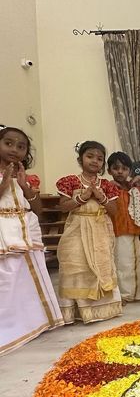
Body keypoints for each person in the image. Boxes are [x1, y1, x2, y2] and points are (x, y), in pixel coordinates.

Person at [0, 126, 63, 355]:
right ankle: (10, 326)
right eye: (8, 143)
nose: (14, 150)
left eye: (21, 146)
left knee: (29, 275)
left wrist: (26, 187)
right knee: (8, 277)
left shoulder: (26, 176)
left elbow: (38, 210)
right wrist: (5, 182)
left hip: (26, 225)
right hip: (5, 230)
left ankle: (34, 320)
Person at [56, 141, 122, 324]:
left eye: (100, 158)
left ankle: (101, 311)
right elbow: (63, 207)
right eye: (90, 156)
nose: (95, 161)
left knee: (102, 266)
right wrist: (83, 197)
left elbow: (115, 211)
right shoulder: (70, 181)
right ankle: (75, 311)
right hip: (76, 227)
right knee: (75, 265)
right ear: (80, 159)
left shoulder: (107, 185)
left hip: (100, 226)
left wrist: (101, 197)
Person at [107, 151, 140, 303]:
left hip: (133, 230)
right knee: (122, 264)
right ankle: (124, 295)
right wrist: (108, 186)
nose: (120, 172)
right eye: (116, 168)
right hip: (118, 230)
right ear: (109, 170)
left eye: (124, 168)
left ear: (129, 170)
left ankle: (138, 293)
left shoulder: (133, 188)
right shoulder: (108, 188)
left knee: (135, 262)